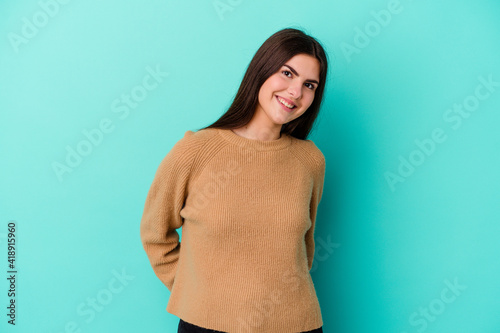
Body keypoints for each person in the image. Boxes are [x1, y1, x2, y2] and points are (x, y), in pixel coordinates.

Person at [140, 27, 329, 333]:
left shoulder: (310, 161)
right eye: (287, 73)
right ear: (262, 70)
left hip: (297, 324)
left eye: (309, 84)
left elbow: (303, 249)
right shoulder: (196, 150)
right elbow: (154, 233)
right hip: (206, 324)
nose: (296, 92)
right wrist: (197, 295)